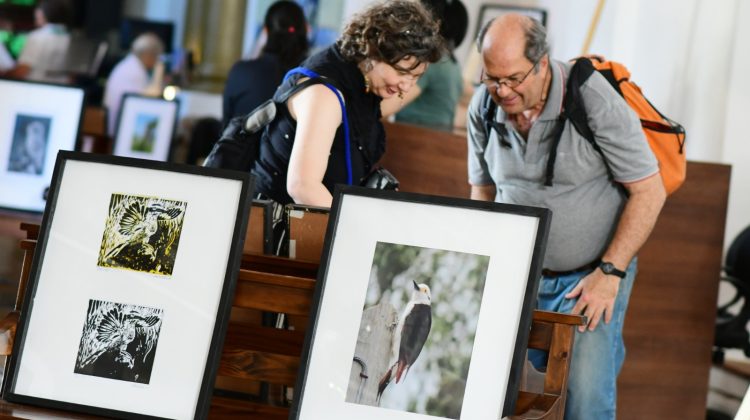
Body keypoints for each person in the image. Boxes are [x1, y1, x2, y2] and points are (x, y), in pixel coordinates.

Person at [467, 14, 666, 419]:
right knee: (491, 387)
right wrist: (480, 267)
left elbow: (649, 190)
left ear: (542, 63)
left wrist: (610, 273)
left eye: (514, 79)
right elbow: (483, 190)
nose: (501, 90)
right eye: (492, 78)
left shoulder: (592, 98)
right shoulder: (484, 105)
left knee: (586, 396)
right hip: (517, 272)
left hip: (590, 274)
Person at [252, 0, 444, 208]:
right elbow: (302, 187)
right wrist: (354, 229)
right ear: (373, 50)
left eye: (415, 77)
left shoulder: (362, 80)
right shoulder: (324, 93)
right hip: (272, 228)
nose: (406, 87)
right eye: (401, 72)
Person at [222, 0, 309, 128]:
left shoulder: (240, 72)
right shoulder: (313, 77)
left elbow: (226, 128)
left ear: (266, 31)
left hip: (241, 147)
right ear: (306, 30)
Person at [395, 0, 468, 130]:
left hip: (417, 140)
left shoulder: (432, 62)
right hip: (440, 140)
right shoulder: (452, 64)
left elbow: (387, 106)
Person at [103, 33, 165, 136]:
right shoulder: (135, 72)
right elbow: (143, 106)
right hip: (118, 129)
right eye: (156, 57)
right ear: (147, 54)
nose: (156, 62)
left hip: (116, 123)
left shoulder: (129, 65)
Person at [1, 0, 71, 83]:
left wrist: (5, 74)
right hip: (64, 89)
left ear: (43, 12)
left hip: (35, 88)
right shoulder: (70, 37)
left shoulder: (38, 36)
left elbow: (22, 71)